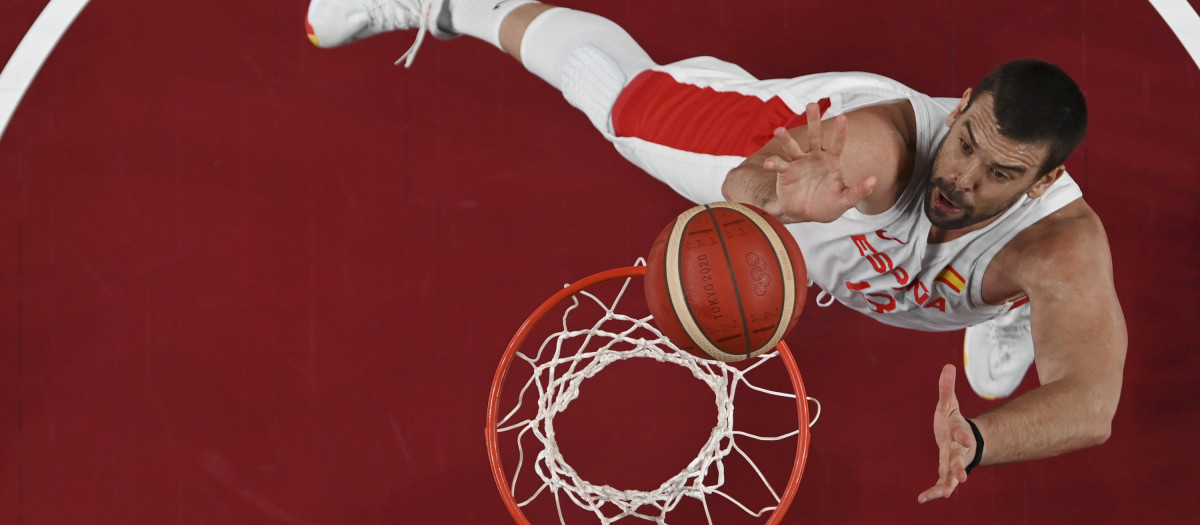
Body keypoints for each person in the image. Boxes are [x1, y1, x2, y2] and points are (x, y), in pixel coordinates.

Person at [305, 0, 1126, 503]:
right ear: (968, 102)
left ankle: (1003, 308)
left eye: (999, 173)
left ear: (1047, 176)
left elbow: (1091, 405)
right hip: (817, 185)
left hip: (973, 272)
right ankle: (449, 1)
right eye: (968, 140)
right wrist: (767, 188)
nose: (963, 176)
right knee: (626, 109)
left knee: (1000, 353)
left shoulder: (1059, 246)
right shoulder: (886, 153)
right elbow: (856, 162)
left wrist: (980, 440)